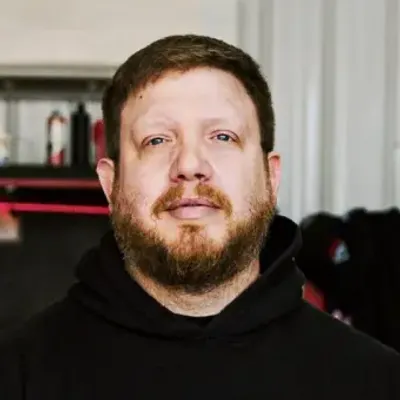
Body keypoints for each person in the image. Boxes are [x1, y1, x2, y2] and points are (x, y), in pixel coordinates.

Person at [0, 35, 399, 400]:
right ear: (111, 184)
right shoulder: (18, 375)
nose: (190, 165)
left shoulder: (376, 381)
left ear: (270, 177)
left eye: (222, 136)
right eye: (157, 140)